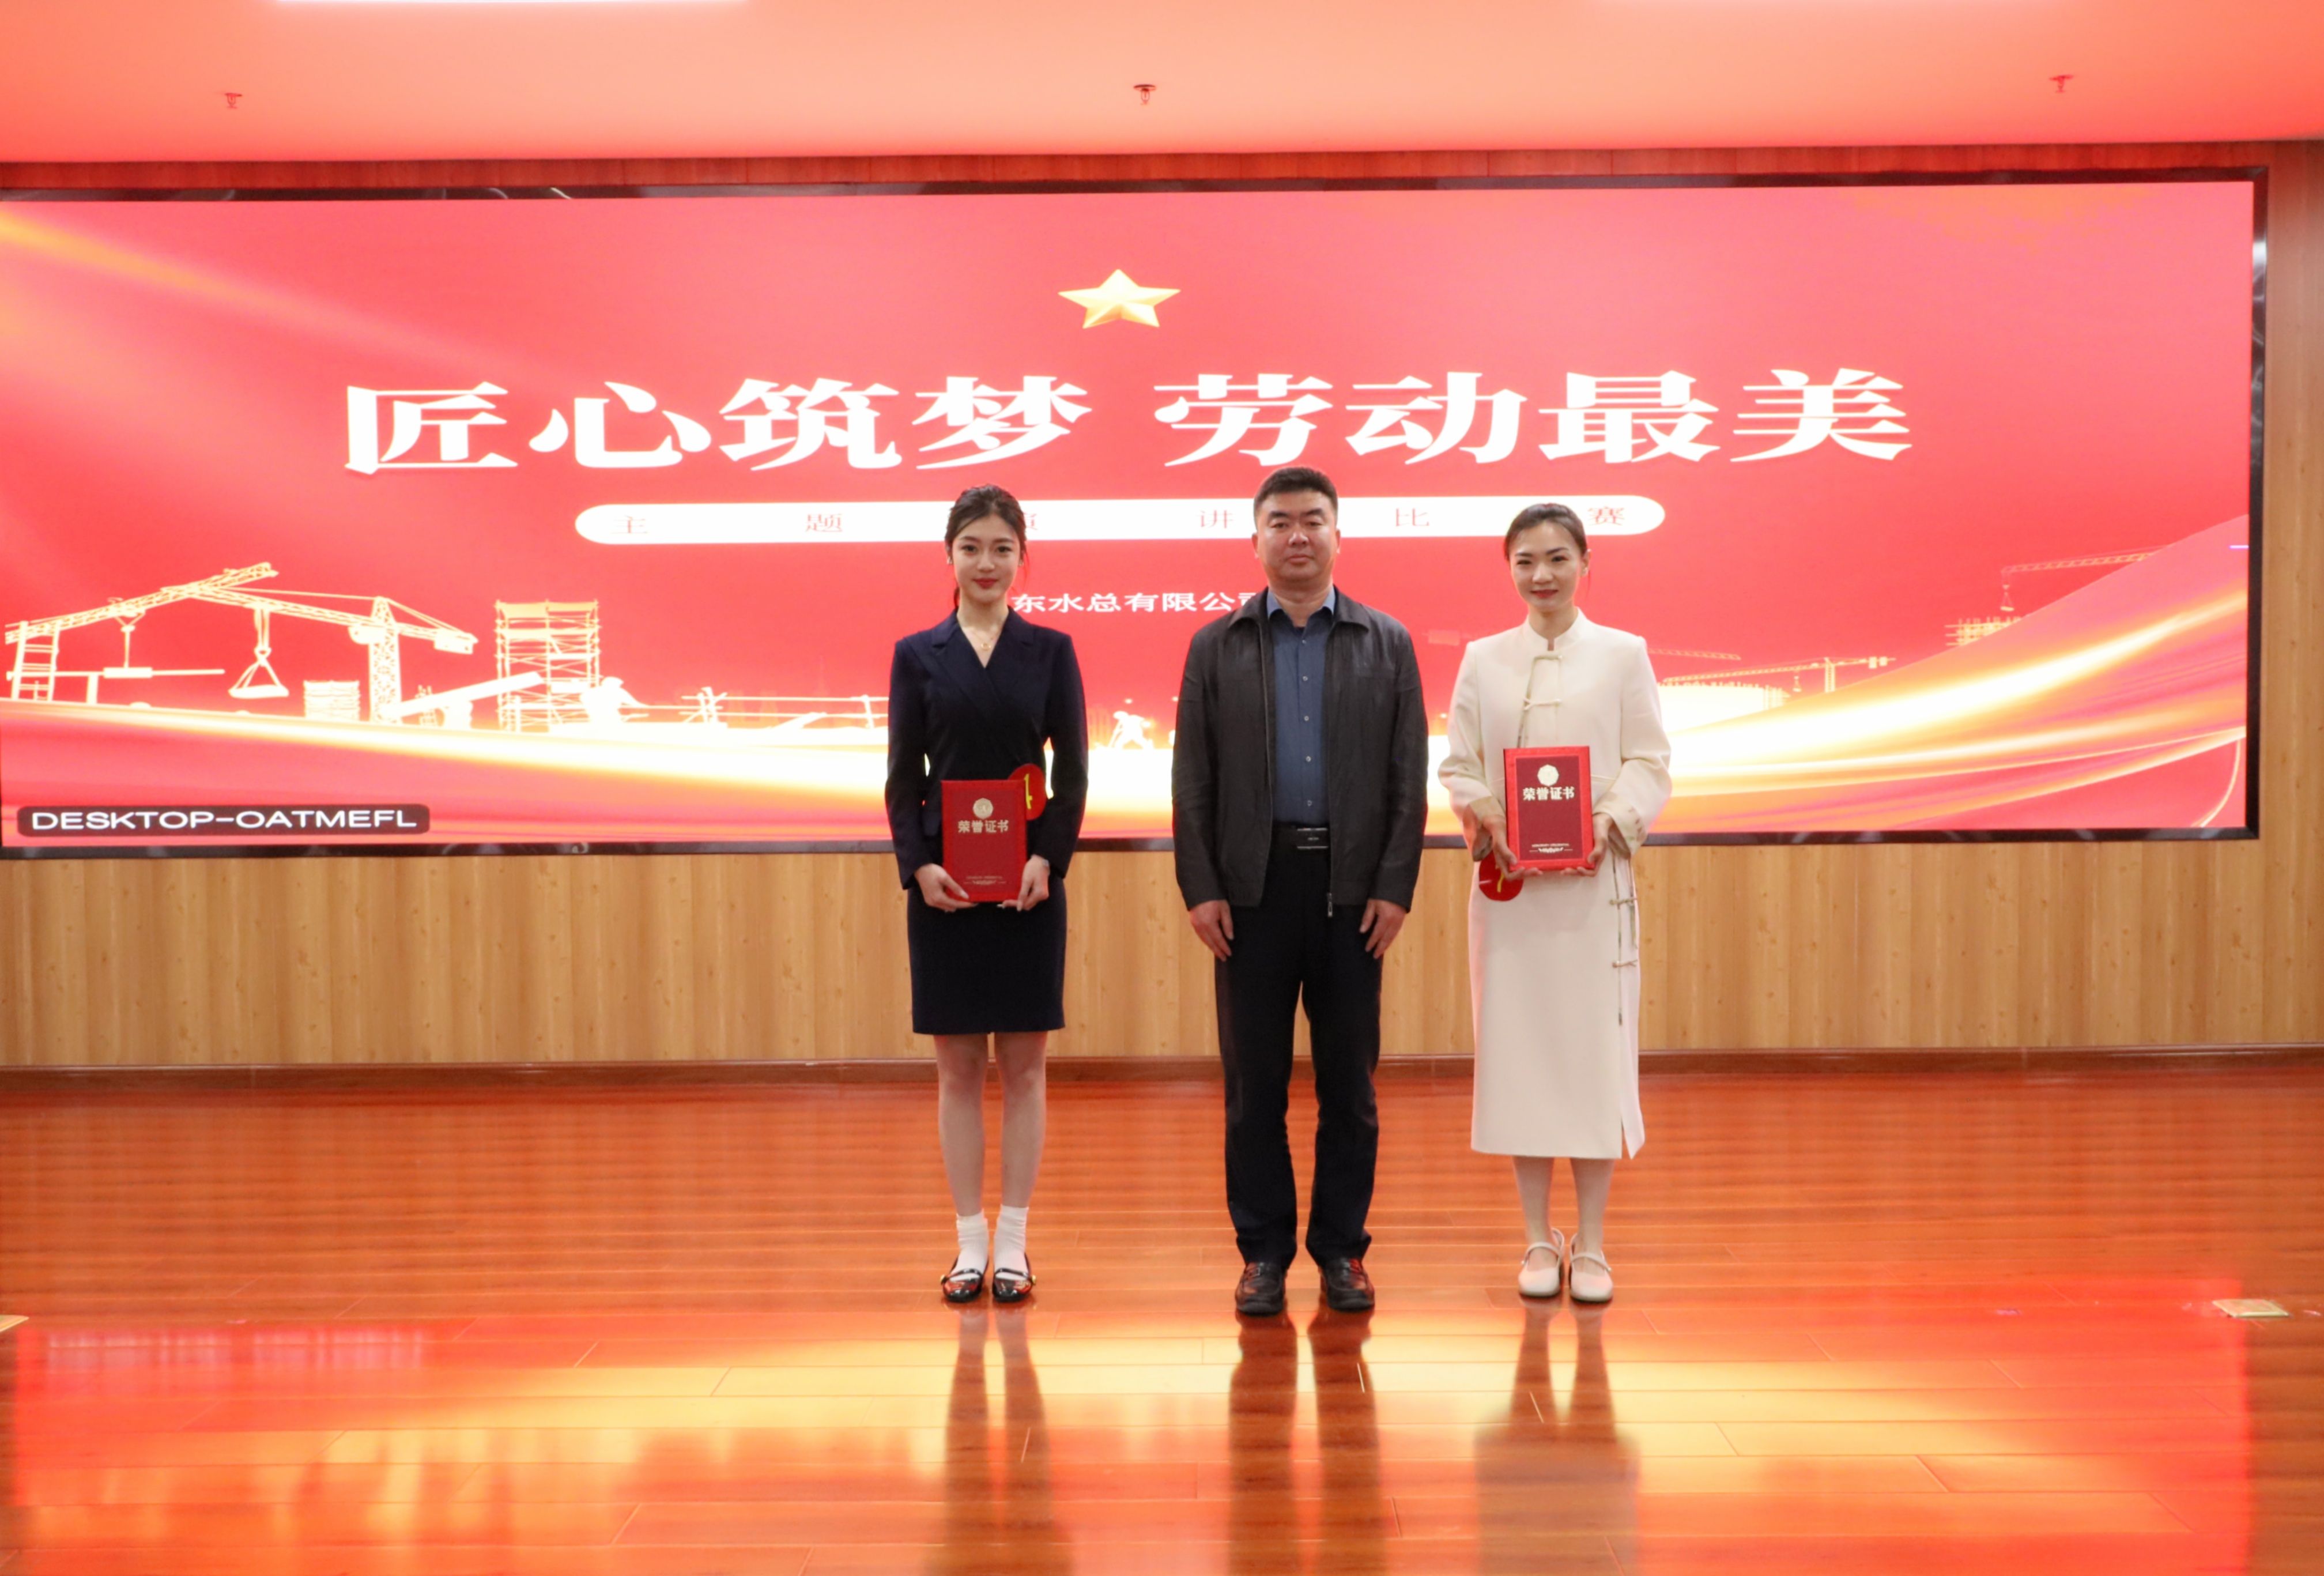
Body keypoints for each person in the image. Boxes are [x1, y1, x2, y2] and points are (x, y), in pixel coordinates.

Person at [1171, 465, 1428, 1317]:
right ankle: (1264, 1253)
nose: (1297, 535)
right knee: (1255, 1088)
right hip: (1251, 889)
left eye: (1313, 520)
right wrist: (1202, 885)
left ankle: (1342, 1250)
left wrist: (1394, 884)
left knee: (1350, 1085)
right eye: (1279, 522)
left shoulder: (1386, 642)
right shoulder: (1217, 646)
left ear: (1338, 535)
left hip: (1353, 891)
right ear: (1255, 540)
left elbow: (1407, 777)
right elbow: (1193, 780)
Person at [1439, 503, 1672, 1303]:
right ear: (1509, 568)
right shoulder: (1483, 659)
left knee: (1592, 1060)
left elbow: (1650, 760)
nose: (1542, 575)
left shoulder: (1623, 654)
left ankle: (1595, 1242)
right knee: (1522, 1059)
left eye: (1557, 558)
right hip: (1512, 897)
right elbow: (1459, 763)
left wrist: (1606, 821)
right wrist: (1488, 814)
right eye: (1526, 561)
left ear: (1585, 563)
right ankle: (1538, 1236)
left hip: (1591, 894)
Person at [886, 485, 1089, 1304]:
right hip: (947, 890)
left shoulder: (1051, 650)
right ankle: (969, 1243)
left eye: (1003, 547)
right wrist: (918, 867)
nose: (987, 562)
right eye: (971, 546)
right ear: (949, 554)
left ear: (1022, 557)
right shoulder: (916, 654)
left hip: (1028, 888)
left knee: (1027, 1069)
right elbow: (902, 778)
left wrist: (1049, 858)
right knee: (959, 1071)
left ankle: (1014, 1243)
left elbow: (1074, 773)